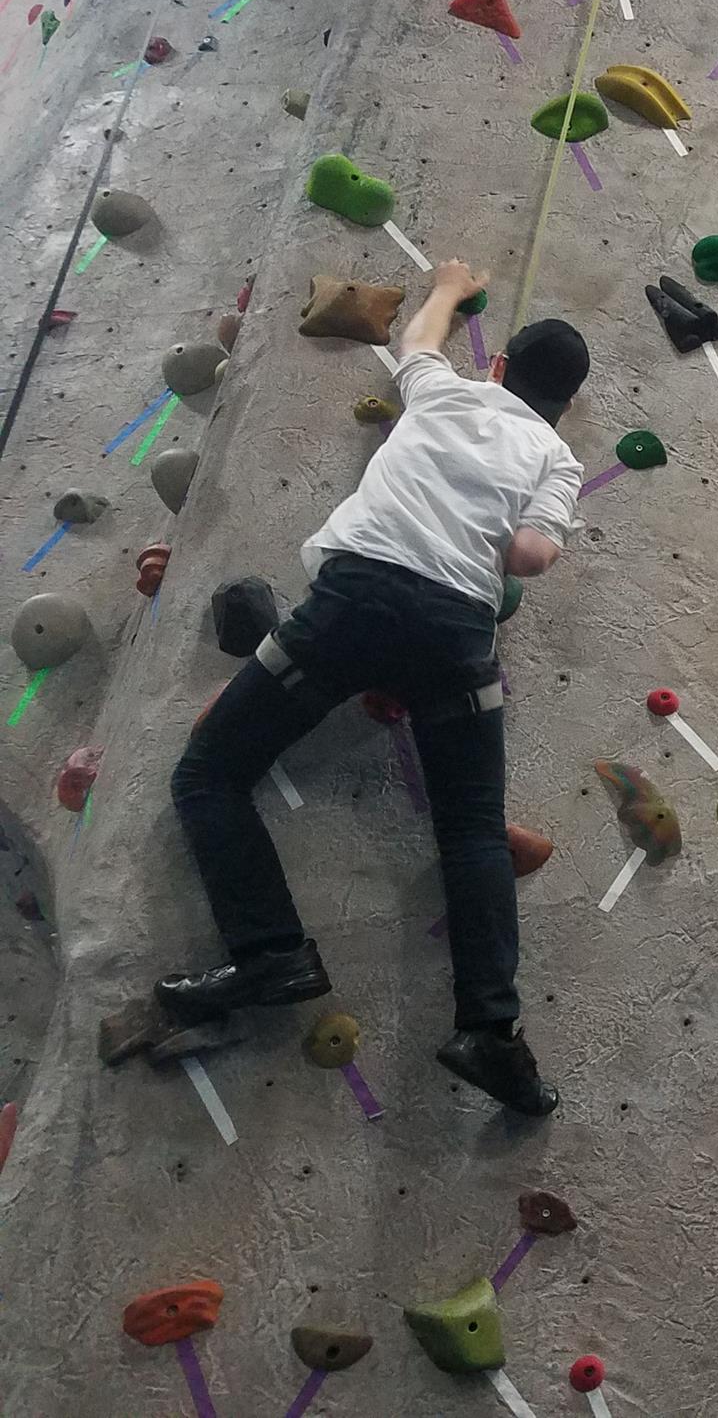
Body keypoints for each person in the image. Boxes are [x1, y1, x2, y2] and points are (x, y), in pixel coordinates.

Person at [156, 262, 586, 1116]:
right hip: (456, 630)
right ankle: (490, 1032)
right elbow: (532, 557)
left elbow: (417, 343)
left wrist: (449, 289)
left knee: (208, 775)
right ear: (563, 407)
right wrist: (494, 535)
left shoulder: (446, 391)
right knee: (471, 832)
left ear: (499, 366)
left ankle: (272, 953)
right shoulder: (558, 458)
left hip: (357, 602)